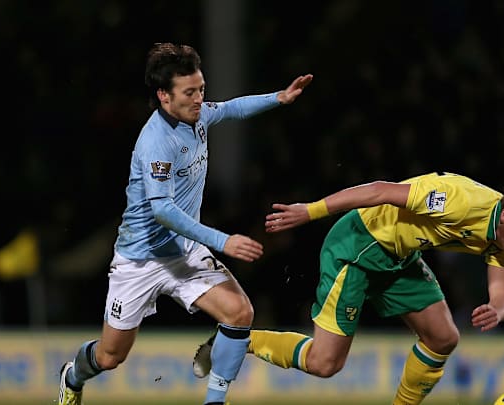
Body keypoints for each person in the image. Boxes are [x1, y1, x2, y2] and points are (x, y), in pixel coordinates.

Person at [57, 42, 313, 405]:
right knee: (110, 357)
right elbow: (164, 211)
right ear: (164, 96)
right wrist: (222, 241)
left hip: (185, 253)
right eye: (190, 92)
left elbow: (231, 108)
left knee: (240, 314)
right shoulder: (155, 143)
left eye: (201, 89)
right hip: (140, 261)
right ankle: (72, 376)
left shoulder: (198, 116)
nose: (199, 99)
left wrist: (279, 98)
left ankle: (214, 400)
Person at [193, 171, 504, 404]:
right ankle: (241, 341)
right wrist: (311, 211)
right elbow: (379, 191)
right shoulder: (458, 201)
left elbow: (502, 278)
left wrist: (499, 307)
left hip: (399, 257)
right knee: (325, 364)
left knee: (443, 337)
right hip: (357, 247)